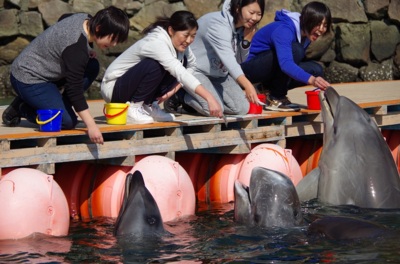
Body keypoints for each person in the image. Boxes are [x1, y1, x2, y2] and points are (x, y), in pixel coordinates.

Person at [2, 6, 130, 144]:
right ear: (98, 28)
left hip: (48, 72)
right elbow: (74, 90)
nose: (114, 44)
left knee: (92, 66)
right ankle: (22, 108)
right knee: (67, 122)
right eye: (113, 39)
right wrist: (91, 126)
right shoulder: (76, 49)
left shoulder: (85, 18)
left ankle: (58, 105)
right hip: (27, 77)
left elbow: (64, 18)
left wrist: (87, 47)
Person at [101, 10, 223, 123]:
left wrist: (172, 91)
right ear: (171, 31)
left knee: (182, 63)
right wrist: (209, 97)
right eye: (186, 35)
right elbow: (179, 71)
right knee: (156, 65)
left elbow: (192, 66)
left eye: (193, 36)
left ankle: (148, 104)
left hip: (128, 88)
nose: (189, 40)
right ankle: (134, 106)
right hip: (114, 89)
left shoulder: (181, 46)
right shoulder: (157, 42)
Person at [164, 0, 265, 117]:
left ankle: (201, 100)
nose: (255, 18)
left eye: (259, 14)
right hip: (195, 70)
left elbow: (238, 61)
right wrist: (248, 85)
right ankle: (180, 96)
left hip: (219, 74)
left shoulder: (241, 29)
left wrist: (246, 42)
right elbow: (228, 59)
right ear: (238, 8)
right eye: (251, 12)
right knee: (215, 110)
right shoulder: (217, 24)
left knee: (242, 108)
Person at [241, 1, 332, 112]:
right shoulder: (284, 29)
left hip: (269, 71)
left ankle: (265, 88)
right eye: (318, 24)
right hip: (249, 70)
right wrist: (312, 80)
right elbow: (286, 64)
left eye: (325, 25)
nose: (321, 29)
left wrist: (314, 78)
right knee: (296, 51)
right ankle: (275, 97)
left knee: (316, 70)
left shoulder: (305, 34)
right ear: (308, 21)